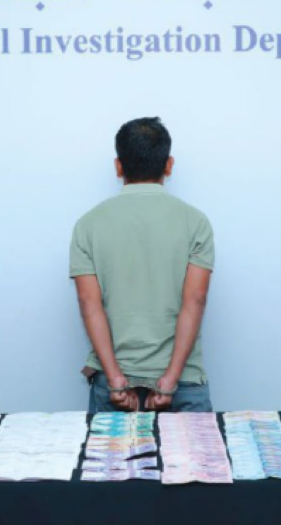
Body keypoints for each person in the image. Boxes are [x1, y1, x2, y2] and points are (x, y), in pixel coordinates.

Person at [69, 117, 215, 413]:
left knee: (108, 448)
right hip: (182, 381)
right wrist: (170, 379)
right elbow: (195, 300)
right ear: (169, 165)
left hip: (113, 382)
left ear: (118, 166)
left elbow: (88, 303)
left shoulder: (88, 225)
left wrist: (115, 379)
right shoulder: (196, 223)